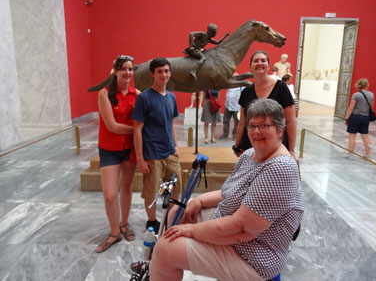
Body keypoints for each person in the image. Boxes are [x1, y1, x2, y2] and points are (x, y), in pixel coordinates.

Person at [130, 98, 304, 281]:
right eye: (252, 126)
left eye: (264, 126)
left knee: (167, 248)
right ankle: (158, 266)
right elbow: (226, 193)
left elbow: (241, 229)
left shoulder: (280, 167)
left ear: (280, 130)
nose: (256, 132)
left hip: (253, 256)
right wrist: (198, 201)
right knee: (178, 211)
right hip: (235, 233)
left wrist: (192, 231)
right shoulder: (251, 155)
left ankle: (160, 262)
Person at [95, 55, 140, 253]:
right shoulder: (104, 94)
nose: (127, 72)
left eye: (130, 69)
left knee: (126, 187)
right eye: (123, 69)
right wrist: (136, 130)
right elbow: (112, 126)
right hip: (109, 149)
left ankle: (124, 224)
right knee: (110, 195)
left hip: (129, 148)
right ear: (115, 71)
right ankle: (114, 233)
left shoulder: (137, 94)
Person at [132, 57, 182, 234]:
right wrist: (140, 158)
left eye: (166, 71)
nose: (164, 74)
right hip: (152, 154)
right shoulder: (144, 98)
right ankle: (152, 220)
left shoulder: (171, 97)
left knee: (175, 189)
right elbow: (137, 129)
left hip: (170, 153)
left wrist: (176, 146)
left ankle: (171, 217)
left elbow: (171, 123)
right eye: (160, 71)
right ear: (152, 74)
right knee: (152, 192)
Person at [234, 51, 296, 158]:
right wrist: (237, 145)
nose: (260, 63)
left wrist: (291, 150)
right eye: (256, 61)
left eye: (263, 60)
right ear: (251, 67)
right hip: (250, 145)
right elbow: (242, 123)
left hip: (275, 147)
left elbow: (290, 121)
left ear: (268, 66)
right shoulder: (246, 92)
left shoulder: (281, 88)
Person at [344, 78, 374, 157]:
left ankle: (350, 154)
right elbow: (371, 107)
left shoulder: (356, 95)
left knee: (352, 136)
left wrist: (347, 118)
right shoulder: (371, 95)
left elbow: (351, 108)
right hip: (365, 117)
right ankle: (368, 154)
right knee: (365, 137)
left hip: (355, 117)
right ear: (367, 85)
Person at [223, 74, 245, 139]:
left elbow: (243, 95)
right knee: (225, 121)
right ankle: (225, 134)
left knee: (237, 122)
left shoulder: (241, 86)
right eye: (232, 77)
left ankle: (235, 135)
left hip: (237, 107)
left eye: (234, 77)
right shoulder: (229, 84)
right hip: (228, 106)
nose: (233, 78)